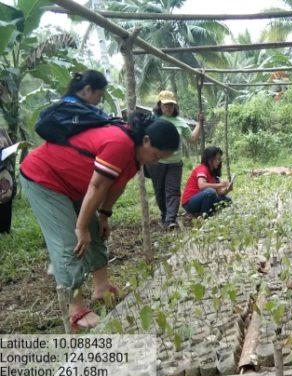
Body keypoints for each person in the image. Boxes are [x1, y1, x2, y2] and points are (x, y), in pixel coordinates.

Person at [21, 112, 180, 330]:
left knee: (96, 230)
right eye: (156, 155)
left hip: (74, 183)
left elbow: (116, 185)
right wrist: (80, 227)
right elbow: (97, 186)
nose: (156, 161)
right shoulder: (120, 143)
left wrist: (104, 215)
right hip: (44, 177)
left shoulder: (136, 156)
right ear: (146, 140)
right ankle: (75, 309)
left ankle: (101, 286)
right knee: (69, 241)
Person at [145, 90, 204, 229]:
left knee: (172, 190)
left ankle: (170, 219)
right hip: (156, 162)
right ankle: (165, 214)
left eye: (171, 105)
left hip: (175, 163)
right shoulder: (153, 120)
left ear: (175, 106)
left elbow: (193, 139)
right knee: (159, 191)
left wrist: (199, 124)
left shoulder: (180, 122)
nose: (168, 108)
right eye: (165, 105)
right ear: (159, 105)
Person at [182, 146, 232, 217]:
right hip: (189, 203)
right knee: (210, 192)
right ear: (208, 159)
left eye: (219, 159)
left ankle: (206, 212)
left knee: (227, 200)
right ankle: (204, 216)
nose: (218, 161)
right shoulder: (202, 169)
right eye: (215, 159)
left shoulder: (213, 173)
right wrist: (221, 184)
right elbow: (202, 186)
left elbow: (218, 192)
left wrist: (228, 189)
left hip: (202, 199)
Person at [0, 128, 16, 234]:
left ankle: (5, 229)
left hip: (4, 171)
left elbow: (12, 151)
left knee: (5, 199)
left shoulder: (2, 131)